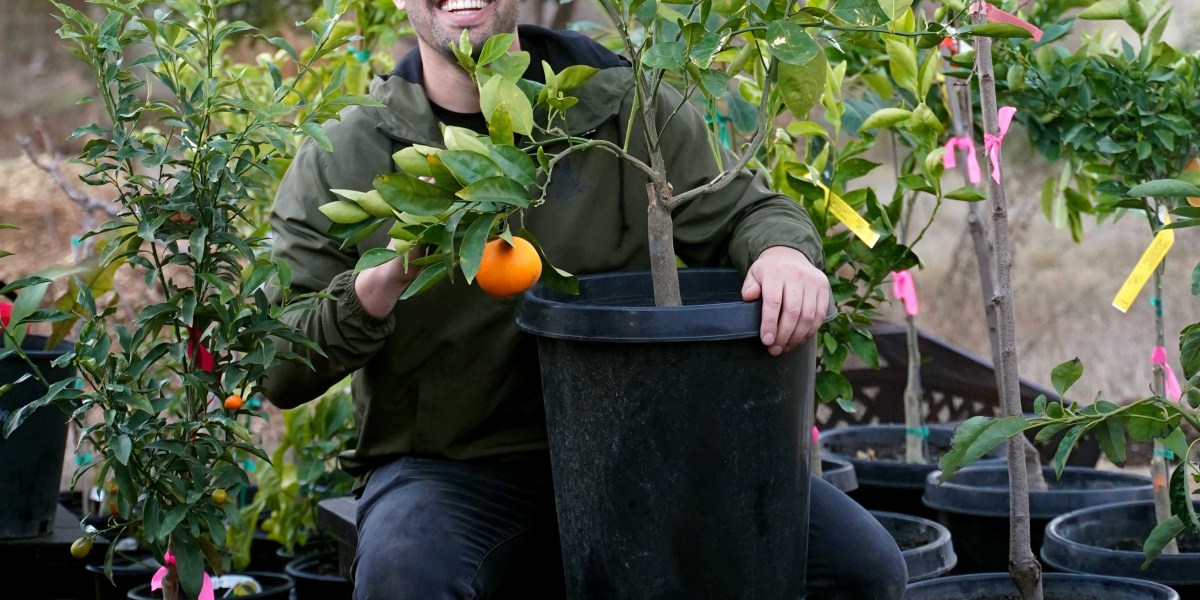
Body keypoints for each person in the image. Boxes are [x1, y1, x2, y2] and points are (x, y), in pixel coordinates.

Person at [262, 0, 908, 597]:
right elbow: (278, 364)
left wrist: (783, 255)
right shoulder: (353, 149)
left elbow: (744, 211)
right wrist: (377, 285)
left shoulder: (618, 105)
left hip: (645, 446)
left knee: (860, 568)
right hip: (453, 469)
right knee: (406, 573)